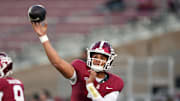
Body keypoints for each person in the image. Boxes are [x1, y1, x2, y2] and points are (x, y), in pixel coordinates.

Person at [31, 22, 124, 101]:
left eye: (102, 58)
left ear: (109, 61)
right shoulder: (80, 68)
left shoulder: (115, 82)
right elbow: (57, 63)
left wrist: (90, 86)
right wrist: (43, 37)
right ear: (89, 57)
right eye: (95, 56)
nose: (98, 60)